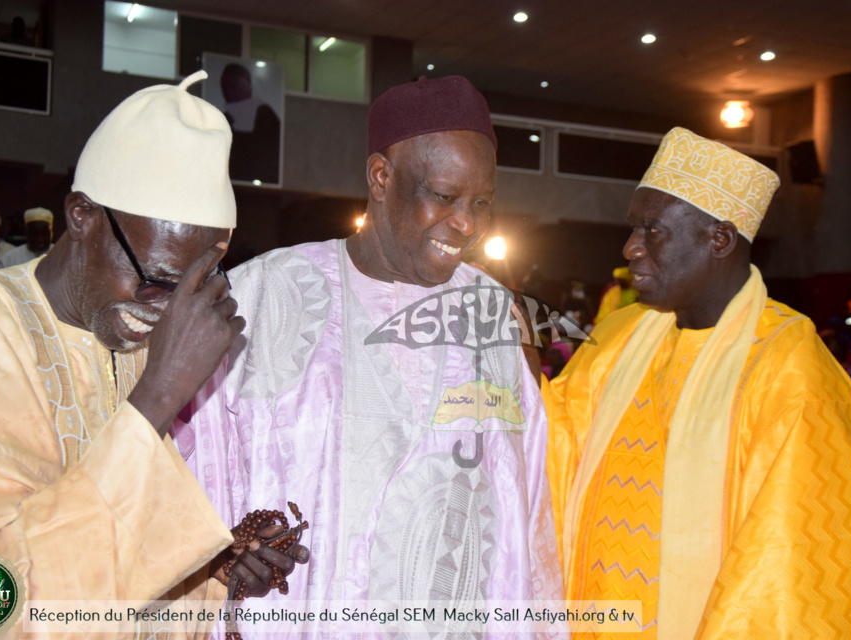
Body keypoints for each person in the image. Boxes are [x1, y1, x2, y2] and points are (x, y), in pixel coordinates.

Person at [0, 71, 302, 639]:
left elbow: (126, 562)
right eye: (157, 280)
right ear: (82, 216)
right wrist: (157, 398)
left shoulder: (128, 338)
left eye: (192, 289)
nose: (165, 312)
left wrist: (212, 570)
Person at [184, 76, 566, 637]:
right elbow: (191, 476)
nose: (467, 224)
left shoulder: (492, 315)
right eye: (443, 195)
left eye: (482, 203)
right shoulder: (264, 296)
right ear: (381, 177)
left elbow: (525, 507)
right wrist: (221, 553)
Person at [542, 127, 851, 639]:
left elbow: (787, 569)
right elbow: (549, 440)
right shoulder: (616, 338)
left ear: (718, 238)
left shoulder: (790, 367)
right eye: (633, 228)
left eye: (652, 230)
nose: (630, 248)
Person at [220, 63, 280, 185]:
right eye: (227, 88)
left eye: (238, 87)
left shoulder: (264, 114)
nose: (232, 93)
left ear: (249, 87)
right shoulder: (225, 119)